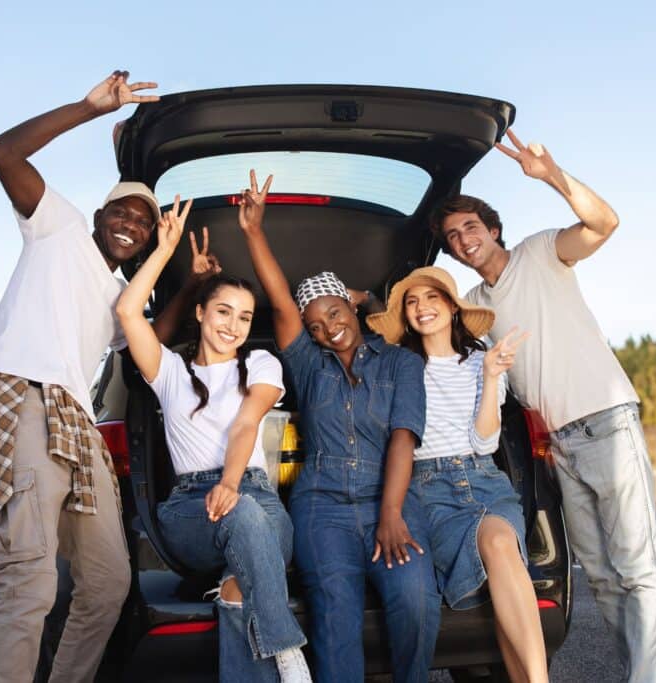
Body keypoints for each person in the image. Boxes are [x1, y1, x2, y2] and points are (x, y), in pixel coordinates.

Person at [0, 70, 189, 683]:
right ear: (102, 212)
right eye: (123, 210)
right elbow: (3, 151)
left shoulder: (117, 296)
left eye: (144, 219)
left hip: (76, 422)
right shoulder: (59, 227)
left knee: (108, 583)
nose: (131, 221)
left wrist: (199, 280)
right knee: (30, 581)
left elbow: (148, 339)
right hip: (24, 395)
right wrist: (87, 107)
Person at [433, 129, 656, 682]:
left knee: (637, 570)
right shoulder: (474, 307)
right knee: (604, 580)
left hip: (608, 422)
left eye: (472, 226)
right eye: (453, 235)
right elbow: (419, 315)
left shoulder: (541, 252)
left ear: (493, 230)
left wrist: (554, 177)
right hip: (558, 448)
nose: (465, 239)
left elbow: (603, 224)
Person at [236, 170, 441, 683]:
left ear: (350, 302)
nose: (328, 327)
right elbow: (281, 300)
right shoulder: (309, 364)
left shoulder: (400, 363)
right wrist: (254, 232)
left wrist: (391, 514)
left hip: (388, 496)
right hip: (321, 506)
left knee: (416, 601)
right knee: (334, 619)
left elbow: (403, 436)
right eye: (316, 325)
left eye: (332, 311)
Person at [115, 199, 311, 683]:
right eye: (223, 311)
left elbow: (247, 424)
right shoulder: (169, 372)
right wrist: (164, 251)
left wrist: (231, 483)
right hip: (190, 510)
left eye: (244, 317)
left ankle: (269, 638)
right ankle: (287, 647)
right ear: (200, 312)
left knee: (236, 591)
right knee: (238, 510)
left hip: (258, 501)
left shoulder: (261, 365)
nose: (233, 325)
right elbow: (126, 310)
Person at [366, 266, 547, 683]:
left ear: (451, 306)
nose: (421, 308)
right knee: (500, 563)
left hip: (483, 479)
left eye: (431, 298)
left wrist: (490, 376)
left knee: (501, 541)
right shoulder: (399, 367)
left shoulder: (484, 360)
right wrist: (364, 299)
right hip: (429, 491)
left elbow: (484, 444)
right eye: (411, 302)